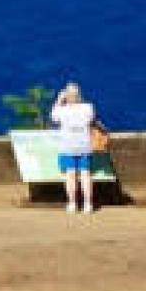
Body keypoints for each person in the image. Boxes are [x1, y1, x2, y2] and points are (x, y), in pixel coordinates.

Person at [51, 81, 97, 214]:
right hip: (84, 146)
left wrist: (59, 100)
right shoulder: (88, 107)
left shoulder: (62, 110)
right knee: (85, 175)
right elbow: (91, 119)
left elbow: (54, 117)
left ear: (67, 95)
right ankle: (88, 205)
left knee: (70, 175)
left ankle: (72, 204)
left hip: (68, 146)